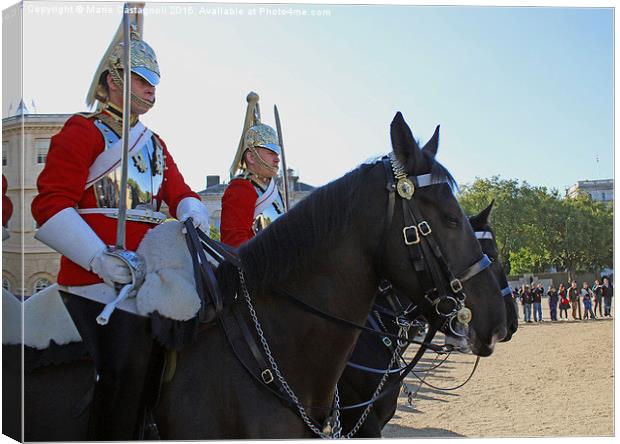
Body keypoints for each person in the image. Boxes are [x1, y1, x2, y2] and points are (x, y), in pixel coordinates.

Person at [30, 18, 209, 440]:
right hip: (94, 280)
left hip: (148, 275)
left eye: (154, 83)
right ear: (113, 80)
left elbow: (179, 192)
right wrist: (99, 259)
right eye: (143, 80)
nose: (152, 91)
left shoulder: (156, 144)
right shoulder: (82, 131)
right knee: (123, 369)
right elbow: (51, 205)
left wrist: (192, 214)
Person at [220, 93, 285, 247]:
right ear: (251, 156)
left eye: (277, 154)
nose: (277, 159)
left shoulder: (273, 190)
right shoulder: (241, 188)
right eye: (270, 153)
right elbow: (234, 243)